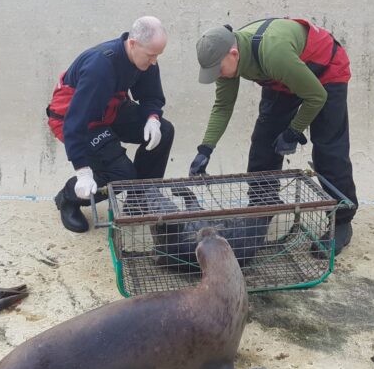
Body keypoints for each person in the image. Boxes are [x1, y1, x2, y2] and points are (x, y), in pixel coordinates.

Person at [189, 17, 357, 254]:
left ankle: (342, 220)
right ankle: (262, 205)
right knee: (263, 143)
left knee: (328, 148)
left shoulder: (272, 53)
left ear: (234, 54)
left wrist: (293, 131)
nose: (218, 75)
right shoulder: (226, 61)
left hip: (325, 73)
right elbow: (223, 107)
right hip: (284, 78)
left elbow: (316, 96)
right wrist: (205, 149)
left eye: (218, 70)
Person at [46, 16, 174, 233]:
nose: (154, 62)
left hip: (110, 111)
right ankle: (68, 198)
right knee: (122, 174)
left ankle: (138, 199)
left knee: (164, 130)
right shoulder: (100, 67)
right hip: (78, 122)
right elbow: (74, 123)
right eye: (151, 56)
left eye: (157, 56)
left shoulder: (144, 59)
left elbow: (151, 96)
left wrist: (152, 118)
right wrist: (83, 171)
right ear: (133, 44)